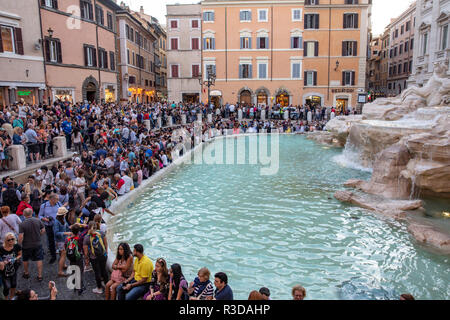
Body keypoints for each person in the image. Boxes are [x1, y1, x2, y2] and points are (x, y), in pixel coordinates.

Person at [18, 208, 45, 281]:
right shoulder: (38, 220)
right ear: (32, 213)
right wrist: (39, 235)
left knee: (25, 259)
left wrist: (19, 244)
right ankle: (40, 276)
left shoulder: (22, 224)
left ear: (24, 214)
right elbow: (43, 230)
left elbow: (21, 236)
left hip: (26, 245)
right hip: (37, 243)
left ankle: (26, 273)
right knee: (39, 259)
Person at [83, 221, 109, 294]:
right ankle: (106, 284)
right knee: (104, 270)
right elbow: (105, 243)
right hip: (103, 255)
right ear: (96, 226)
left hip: (94, 258)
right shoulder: (101, 233)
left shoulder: (86, 237)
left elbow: (86, 252)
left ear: (88, 228)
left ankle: (99, 288)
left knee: (97, 272)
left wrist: (87, 260)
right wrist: (106, 251)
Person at [38, 193, 61, 264]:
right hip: (49, 226)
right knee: (51, 241)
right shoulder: (44, 206)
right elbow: (40, 215)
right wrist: (44, 219)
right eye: (57, 199)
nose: (58, 200)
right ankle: (53, 256)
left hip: (58, 225)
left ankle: (61, 256)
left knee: (60, 240)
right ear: (52, 199)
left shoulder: (58, 204)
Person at [0, 233, 22, 299]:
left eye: (12, 239)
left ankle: (12, 297)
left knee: (13, 284)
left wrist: (15, 259)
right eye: (9, 240)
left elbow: (20, 254)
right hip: (4, 271)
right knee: (6, 287)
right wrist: (2, 262)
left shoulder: (16, 246)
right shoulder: (1, 248)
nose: (11, 241)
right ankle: (6, 298)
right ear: (5, 240)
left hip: (14, 269)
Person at [65, 224, 85, 295]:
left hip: (71, 258)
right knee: (80, 271)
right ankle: (79, 288)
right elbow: (87, 228)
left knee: (73, 270)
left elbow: (66, 247)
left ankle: (74, 285)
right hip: (78, 257)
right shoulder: (79, 239)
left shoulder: (68, 239)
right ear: (78, 231)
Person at [53, 207, 71, 277]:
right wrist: (65, 233)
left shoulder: (62, 219)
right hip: (60, 241)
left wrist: (71, 227)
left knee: (62, 254)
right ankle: (60, 271)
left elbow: (67, 227)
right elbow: (56, 233)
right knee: (63, 255)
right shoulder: (56, 222)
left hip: (63, 240)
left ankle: (63, 265)